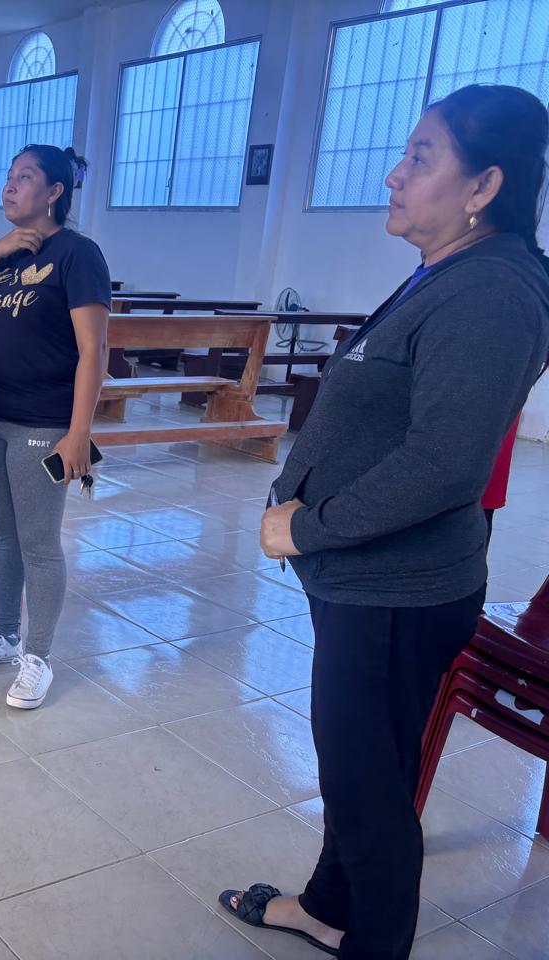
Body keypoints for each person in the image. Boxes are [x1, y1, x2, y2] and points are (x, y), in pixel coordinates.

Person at [221, 84, 549, 960]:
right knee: (361, 770)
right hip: (369, 581)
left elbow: (444, 465)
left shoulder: (492, 291)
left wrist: (306, 526)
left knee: (369, 797)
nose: (394, 174)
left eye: (420, 157)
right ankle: (327, 907)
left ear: (484, 185)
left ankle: (373, 940)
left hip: (395, 590)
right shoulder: (455, 271)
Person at [0, 145, 109, 710]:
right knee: (3, 533)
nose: (9, 187)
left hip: (42, 420)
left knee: (38, 541)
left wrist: (78, 432)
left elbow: (94, 350)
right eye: (8, 177)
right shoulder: (5, 253)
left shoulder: (77, 254)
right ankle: (6, 634)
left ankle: (38, 656)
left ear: (55, 191)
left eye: (24, 178)